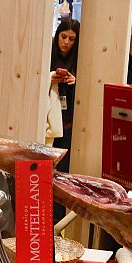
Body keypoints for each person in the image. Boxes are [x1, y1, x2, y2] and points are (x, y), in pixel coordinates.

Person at [50, 17, 79, 166]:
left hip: (69, 122)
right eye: (63, 37)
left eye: (72, 39)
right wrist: (50, 79)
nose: (66, 42)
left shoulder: (80, 59)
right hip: (48, 122)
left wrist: (75, 83)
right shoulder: (48, 54)